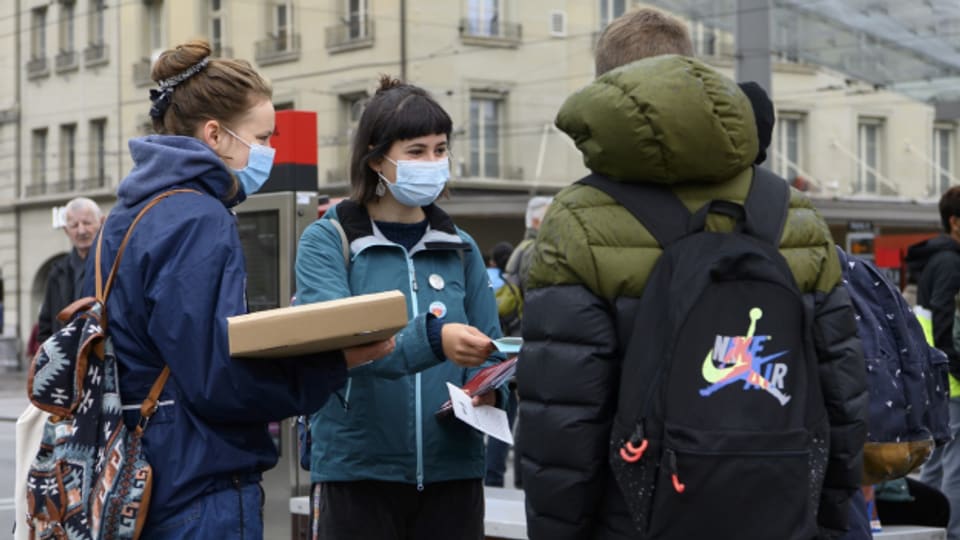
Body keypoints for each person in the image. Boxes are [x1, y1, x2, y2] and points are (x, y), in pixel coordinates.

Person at [515, 7, 867, 540]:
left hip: (636, 517)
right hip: (781, 508)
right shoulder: (794, 212)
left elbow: (562, 418)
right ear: (694, 72)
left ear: (607, 88)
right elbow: (843, 387)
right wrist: (830, 519)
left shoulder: (577, 218)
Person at [85, 40, 392, 538]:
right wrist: (335, 363)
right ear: (215, 134)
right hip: (199, 486)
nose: (270, 150)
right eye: (263, 135)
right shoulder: (197, 217)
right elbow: (217, 381)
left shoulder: (126, 216)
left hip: (137, 475)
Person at [295, 76, 507, 540]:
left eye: (440, 149)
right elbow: (337, 351)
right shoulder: (328, 242)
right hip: (358, 475)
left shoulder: (462, 248)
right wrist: (434, 339)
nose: (433, 163)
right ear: (376, 159)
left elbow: (492, 347)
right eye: (416, 151)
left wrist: (495, 392)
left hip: (453, 474)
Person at [906, 185, 960, 540]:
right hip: (952, 381)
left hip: (935, 379)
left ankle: (925, 530)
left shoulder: (934, 260)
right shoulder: (951, 262)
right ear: (955, 222)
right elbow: (943, 321)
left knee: (936, 464)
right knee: (956, 469)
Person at [37, 197, 104, 343]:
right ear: (66, 231)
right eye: (74, 225)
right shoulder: (57, 273)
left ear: (101, 223)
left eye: (87, 223)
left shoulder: (112, 265)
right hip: (68, 362)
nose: (81, 230)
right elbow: (45, 327)